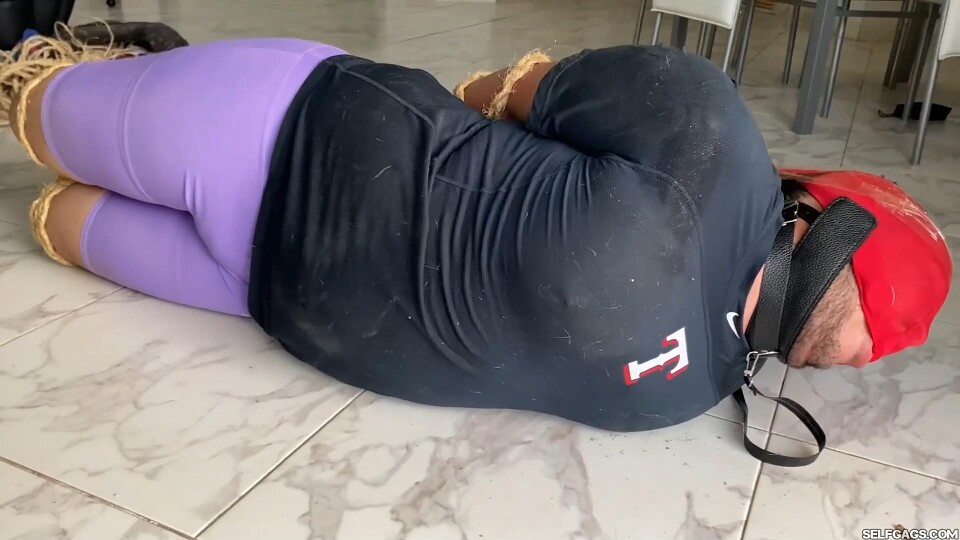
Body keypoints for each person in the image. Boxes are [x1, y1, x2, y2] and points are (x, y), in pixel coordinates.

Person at [1, 33, 952, 456]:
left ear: (817, 214)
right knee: (55, 202)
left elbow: (500, 91)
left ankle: (129, 70)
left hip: (279, 155)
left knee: (41, 130)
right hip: (277, 269)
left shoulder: (713, 142)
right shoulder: (689, 394)